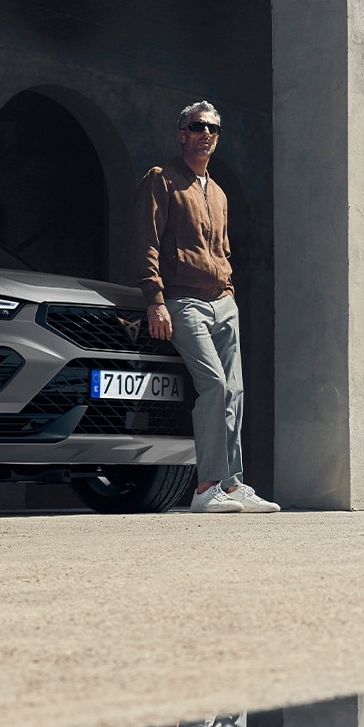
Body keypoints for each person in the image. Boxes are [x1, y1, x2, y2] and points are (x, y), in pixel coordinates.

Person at [135, 100, 279, 513]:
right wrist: (155, 300)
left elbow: (222, 251)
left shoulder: (217, 193)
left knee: (234, 390)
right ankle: (205, 489)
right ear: (183, 134)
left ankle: (232, 486)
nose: (207, 134)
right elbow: (146, 242)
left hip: (222, 303)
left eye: (213, 129)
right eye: (198, 127)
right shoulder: (162, 180)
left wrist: (229, 292)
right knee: (214, 386)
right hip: (183, 302)